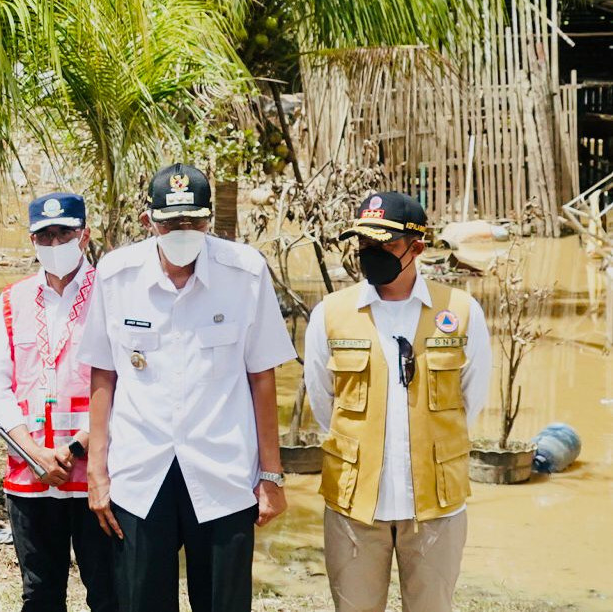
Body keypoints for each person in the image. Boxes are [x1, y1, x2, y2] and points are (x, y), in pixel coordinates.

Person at [80, 163, 295, 612]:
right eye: (171, 223)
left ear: (209, 220)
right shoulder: (117, 275)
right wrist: (98, 472)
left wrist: (271, 476)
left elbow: (262, 377)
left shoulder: (245, 272)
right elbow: (104, 374)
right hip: (141, 474)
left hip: (223, 471)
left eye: (194, 222)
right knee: (140, 602)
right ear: (148, 222)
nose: (183, 231)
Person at [304, 191, 492, 612]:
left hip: (434, 508)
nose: (371, 254)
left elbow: (470, 398)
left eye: (385, 245)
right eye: (365, 245)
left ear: (417, 248)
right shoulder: (331, 313)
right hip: (355, 505)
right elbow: (323, 402)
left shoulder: (460, 311)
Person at [0, 192, 116, 612]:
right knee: (39, 595)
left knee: (109, 591)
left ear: (85, 234)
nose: (55, 244)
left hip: (97, 475)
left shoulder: (112, 295)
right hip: (31, 477)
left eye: (65, 233)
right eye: (46, 236)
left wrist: (75, 446)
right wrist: (36, 452)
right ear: (32, 240)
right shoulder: (12, 300)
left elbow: (128, 383)